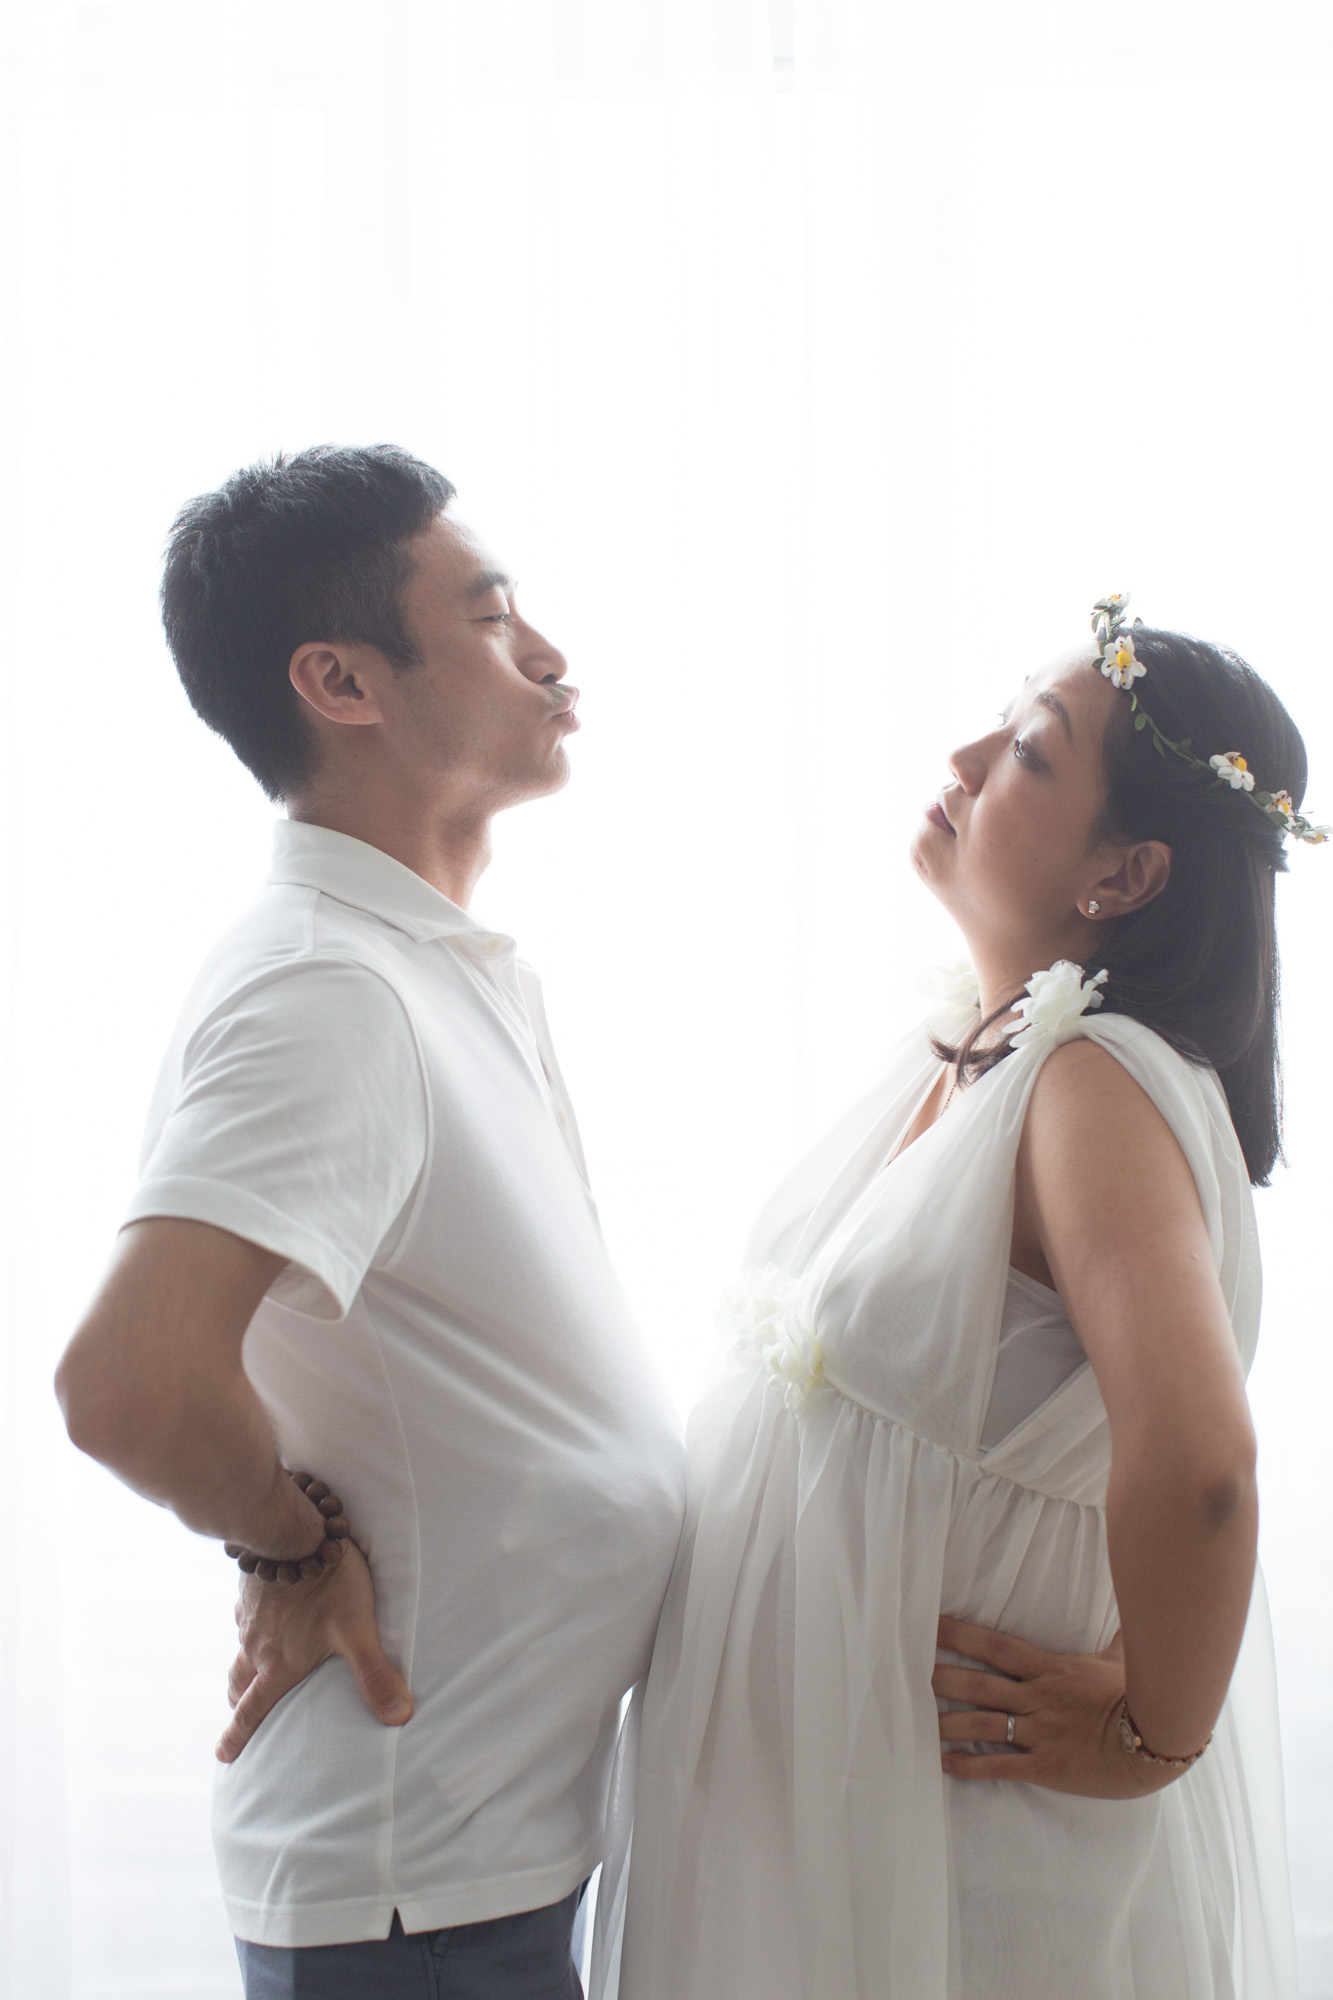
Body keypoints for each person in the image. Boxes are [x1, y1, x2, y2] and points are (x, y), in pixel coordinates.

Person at [595, 599, 1311, 1999]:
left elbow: (1203, 1465)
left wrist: (1153, 1737)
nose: (968, 758)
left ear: (1126, 872)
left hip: (962, 1851)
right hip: (825, 1826)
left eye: (1031, 752)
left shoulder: (1093, 1084)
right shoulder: (977, 1047)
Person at [54, 444, 686, 2000]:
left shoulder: (414, 970)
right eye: (491, 618)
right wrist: (286, 1547)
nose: (548, 656)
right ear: (341, 682)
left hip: (474, 1853)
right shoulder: (329, 988)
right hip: (415, 1884)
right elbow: (127, 1384)